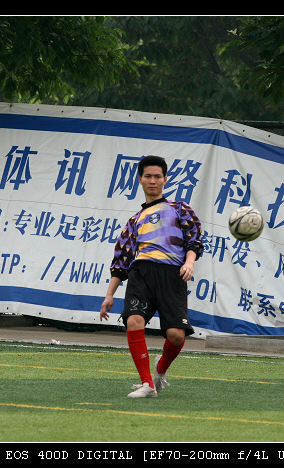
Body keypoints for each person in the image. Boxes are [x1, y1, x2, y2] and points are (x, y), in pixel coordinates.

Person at [100, 155, 203, 398]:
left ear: (165, 179)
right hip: (142, 274)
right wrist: (109, 295)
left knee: (176, 336)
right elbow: (121, 260)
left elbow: (194, 240)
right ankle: (147, 384)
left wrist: (189, 263)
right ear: (140, 180)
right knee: (134, 321)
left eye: (157, 176)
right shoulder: (134, 221)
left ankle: (160, 369)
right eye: (148, 176)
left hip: (172, 275)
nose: (153, 181)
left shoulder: (179, 208)